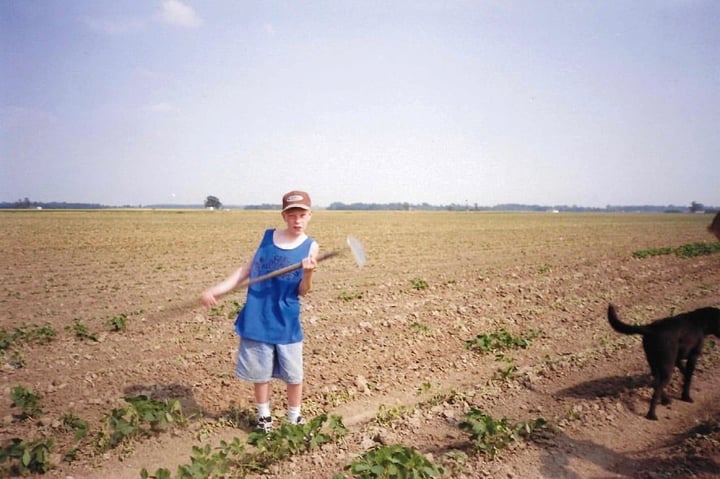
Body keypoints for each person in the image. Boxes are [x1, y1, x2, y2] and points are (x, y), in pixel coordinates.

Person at [201, 190, 319, 432]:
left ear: (309, 215)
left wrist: (308, 273)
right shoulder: (268, 238)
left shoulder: (311, 246)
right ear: (284, 216)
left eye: (302, 215)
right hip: (257, 316)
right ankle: (264, 418)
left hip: (286, 318)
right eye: (292, 215)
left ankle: (294, 417)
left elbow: (303, 291)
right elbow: (245, 271)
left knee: (294, 375)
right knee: (260, 373)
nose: (297, 220)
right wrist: (217, 290)